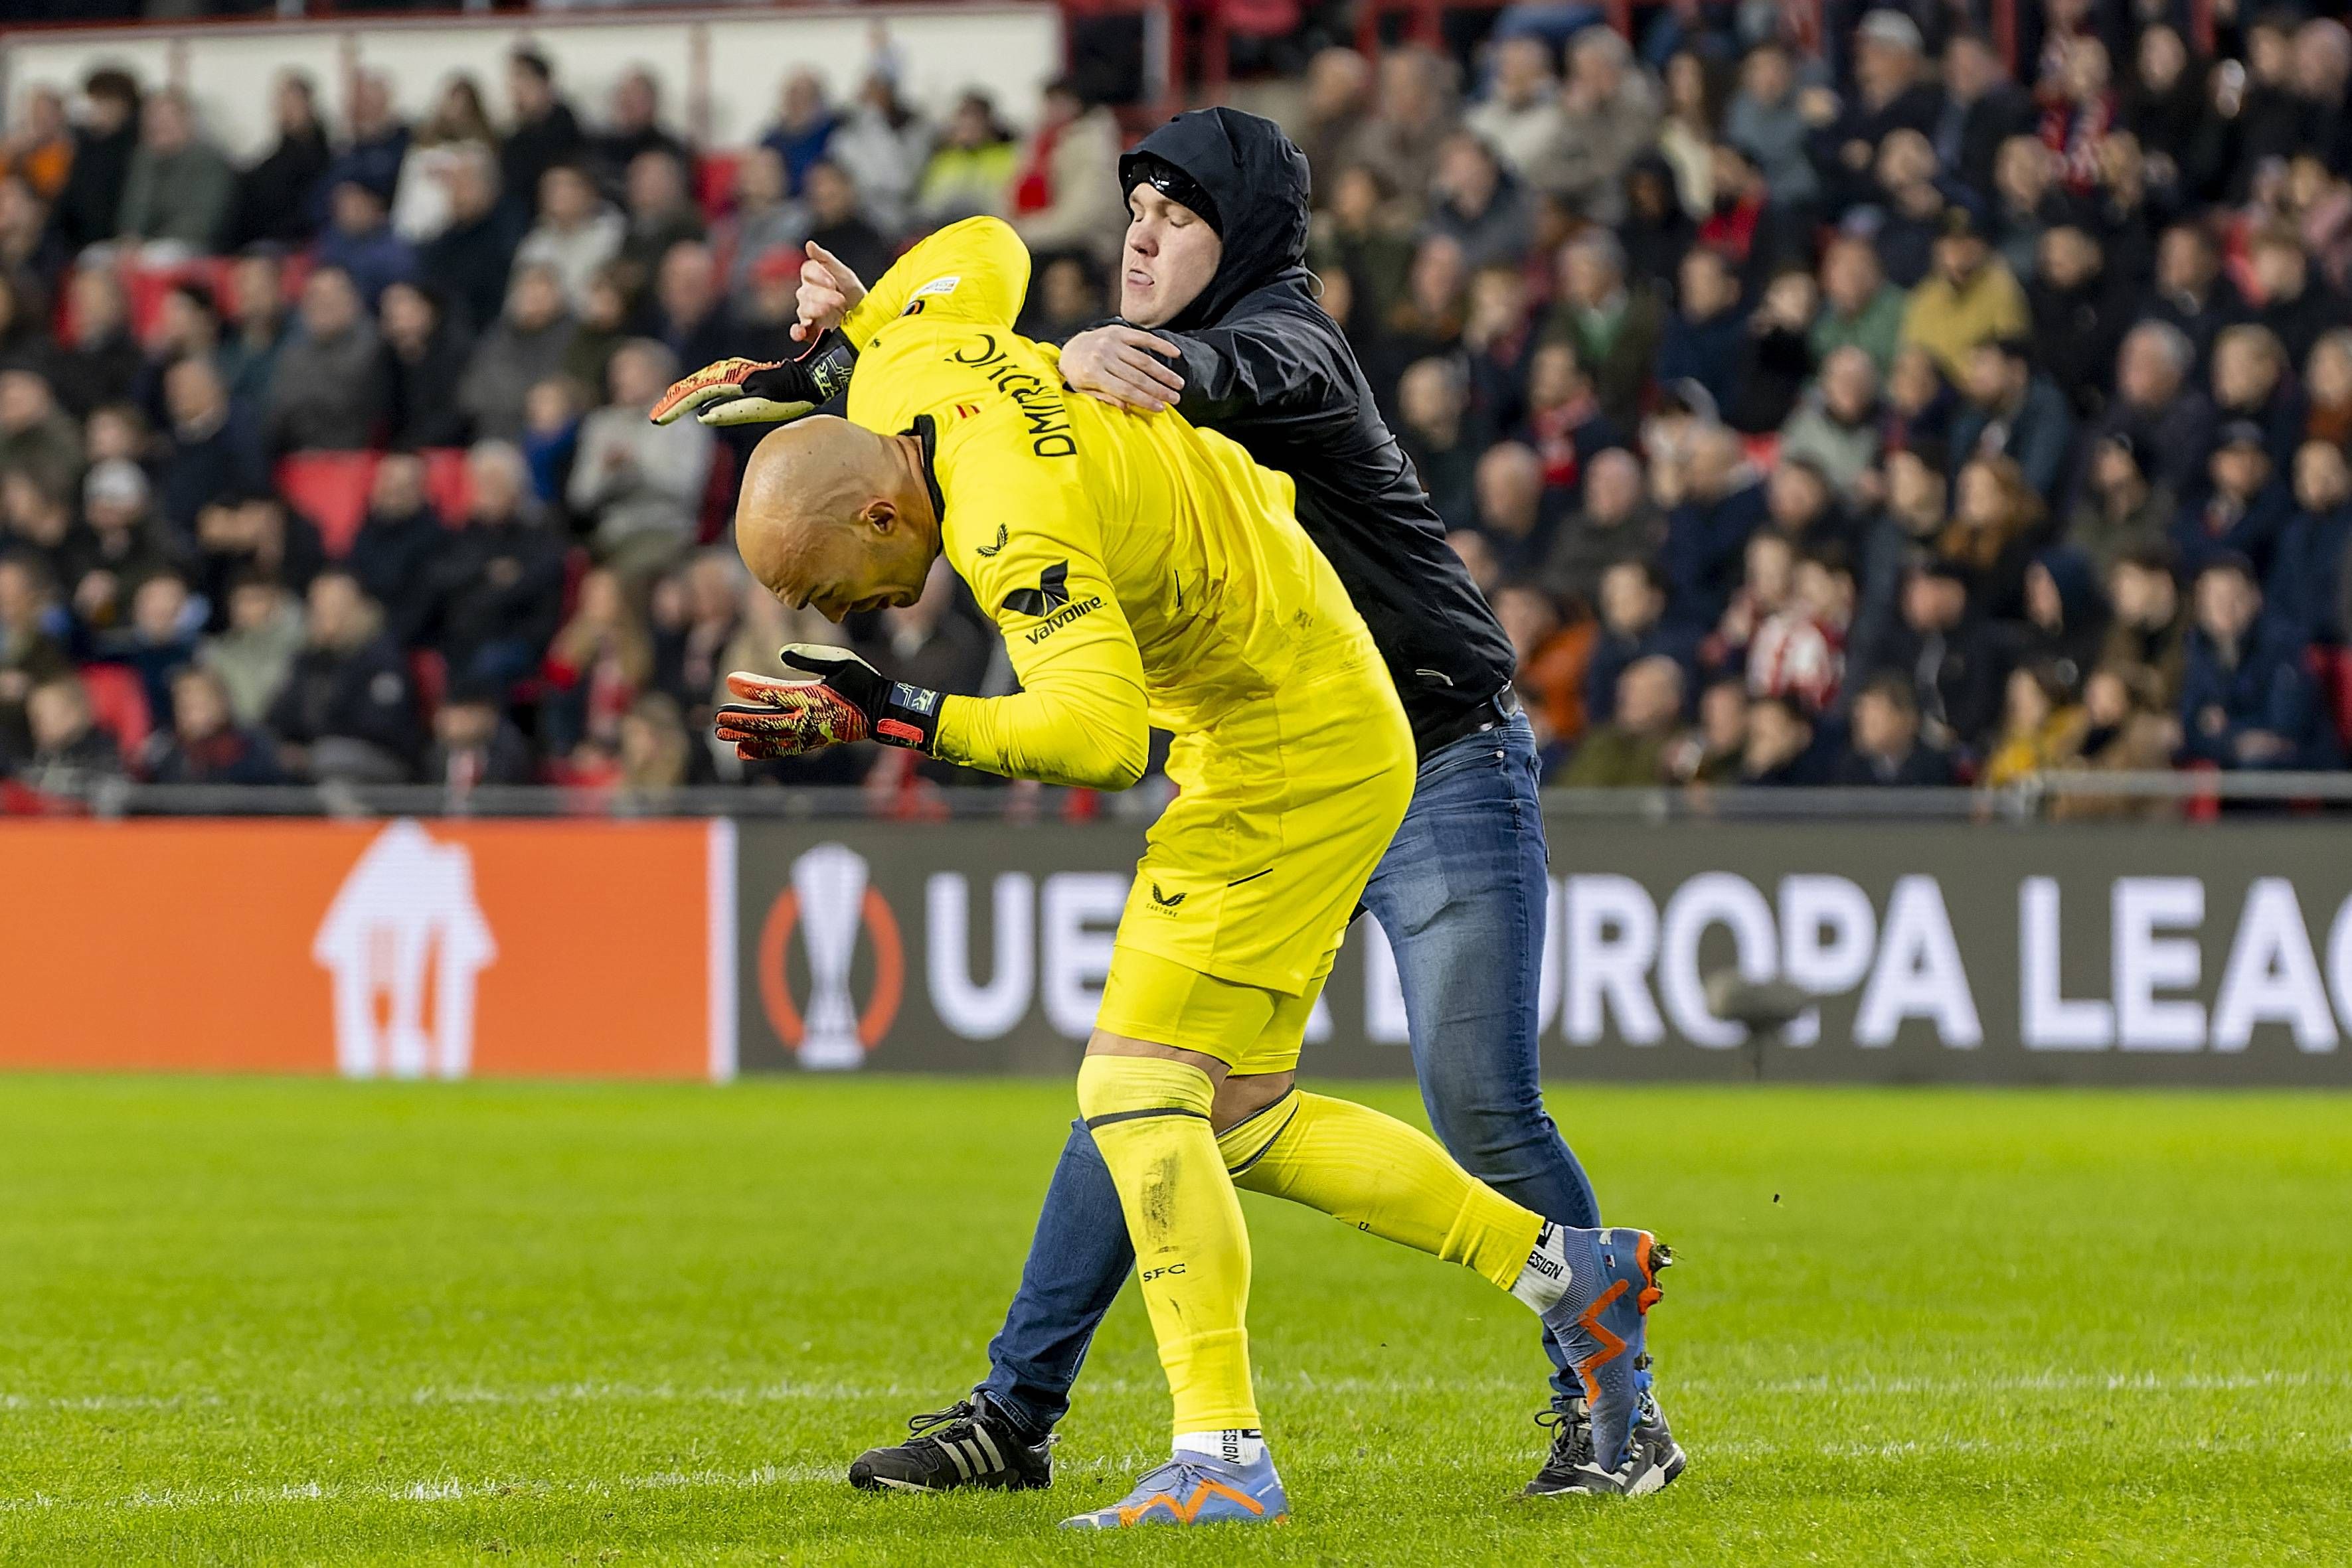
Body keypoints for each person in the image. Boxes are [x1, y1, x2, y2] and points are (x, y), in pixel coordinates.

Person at [663, 108, 1674, 1500]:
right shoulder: (956, 374)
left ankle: (1569, 1402)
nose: (1141, 227)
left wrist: (895, 710)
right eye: (1132, 203)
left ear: (1245, 237)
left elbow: (1103, 687)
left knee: (1429, 1102)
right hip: (1277, 726)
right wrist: (860, 334)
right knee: (1201, 1099)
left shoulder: (1277, 341)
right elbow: (979, 250)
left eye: (1178, 213)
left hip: (1424, 746)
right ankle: (1030, 1413)